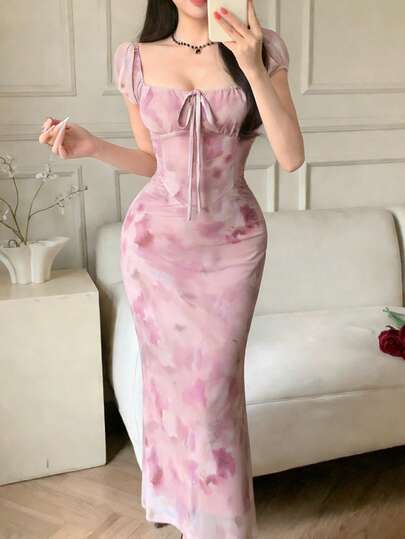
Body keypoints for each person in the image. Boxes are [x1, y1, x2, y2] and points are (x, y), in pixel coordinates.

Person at [38, 1, 304, 537]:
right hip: (154, 248)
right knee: (170, 392)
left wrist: (250, 65)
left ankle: (222, 527)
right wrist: (93, 147)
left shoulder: (263, 49)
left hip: (232, 247)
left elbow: (291, 156)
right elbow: (152, 161)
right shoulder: (134, 59)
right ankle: (182, 513)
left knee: (215, 396)